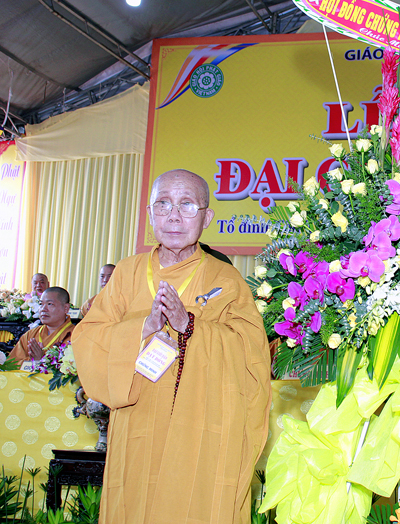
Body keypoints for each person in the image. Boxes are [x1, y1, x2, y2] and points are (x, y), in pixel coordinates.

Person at [73, 169, 272, 524]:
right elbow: (90, 336)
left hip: (198, 424)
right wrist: (142, 327)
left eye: (187, 204)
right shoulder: (127, 273)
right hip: (138, 420)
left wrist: (189, 326)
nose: (174, 215)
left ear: (206, 218)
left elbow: (251, 355)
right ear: (149, 214)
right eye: (163, 204)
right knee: (135, 504)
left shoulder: (226, 279)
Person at [8, 287, 73, 362]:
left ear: (66, 308)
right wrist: (34, 361)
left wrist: (42, 360)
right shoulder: (30, 335)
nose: (43, 309)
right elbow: (12, 363)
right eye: (41, 304)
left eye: (50, 304)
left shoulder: (75, 335)